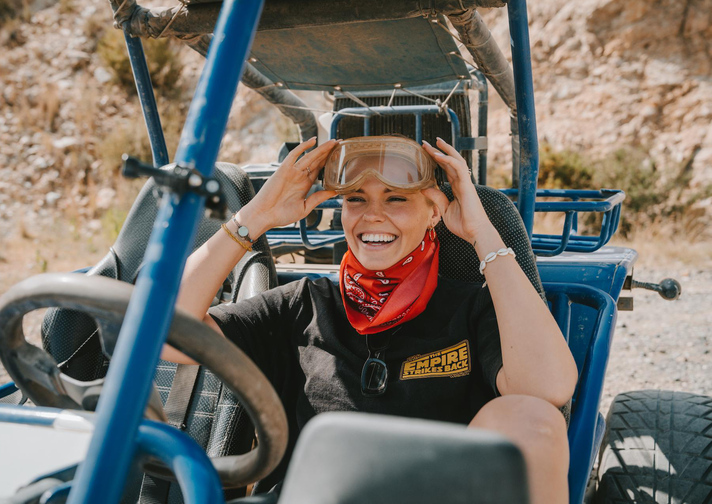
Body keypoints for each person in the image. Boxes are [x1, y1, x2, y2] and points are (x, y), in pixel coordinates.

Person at [165, 136, 578, 504]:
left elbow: (546, 391)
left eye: (397, 198)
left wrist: (481, 232)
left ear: (434, 211)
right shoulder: (302, 304)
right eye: (356, 198)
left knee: (535, 418)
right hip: (315, 493)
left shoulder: (474, 307)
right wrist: (255, 217)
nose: (373, 215)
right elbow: (167, 337)